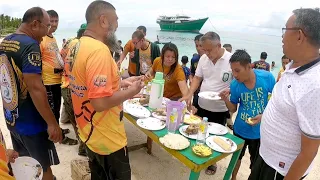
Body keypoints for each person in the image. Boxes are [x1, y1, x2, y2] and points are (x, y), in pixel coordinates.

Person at [67, 1, 144, 179]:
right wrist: (132, 92)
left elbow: (86, 82)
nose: (117, 25)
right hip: (108, 138)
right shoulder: (99, 51)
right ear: (103, 21)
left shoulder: (76, 45)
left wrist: (120, 82)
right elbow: (100, 103)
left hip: (88, 133)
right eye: (115, 21)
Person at [249, 8, 320, 180]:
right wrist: (265, 116)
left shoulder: (314, 85)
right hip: (266, 156)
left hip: (279, 170)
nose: (282, 36)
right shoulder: (293, 65)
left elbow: (309, 151)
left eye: (285, 30)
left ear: (299, 35)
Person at [0, 7, 62, 180]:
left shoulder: (6, 41)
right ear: (35, 24)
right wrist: (52, 123)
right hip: (33, 124)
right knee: (43, 170)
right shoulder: (30, 45)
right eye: (47, 26)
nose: (47, 31)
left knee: (25, 166)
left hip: (13, 119)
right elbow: (35, 87)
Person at [180, 31, 233, 175]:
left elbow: (238, 81)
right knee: (199, 132)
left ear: (219, 46)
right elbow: (197, 78)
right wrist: (189, 94)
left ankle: (212, 162)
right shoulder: (203, 59)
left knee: (215, 136)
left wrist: (230, 91)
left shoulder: (231, 60)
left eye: (209, 50)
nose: (207, 53)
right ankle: (198, 156)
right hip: (202, 103)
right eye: (205, 50)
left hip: (220, 108)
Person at [220, 49, 275, 180]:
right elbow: (233, 109)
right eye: (232, 70)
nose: (234, 74)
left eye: (237, 70)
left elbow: (276, 102)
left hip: (260, 131)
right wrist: (225, 99)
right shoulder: (235, 85)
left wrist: (263, 116)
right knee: (236, 158)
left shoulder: (267, 78)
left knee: (255, 163)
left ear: (249, 66)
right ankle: (233, 178)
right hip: (240, 129)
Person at [40, 10, 77, 145]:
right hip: (48, 81)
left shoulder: (52, 38)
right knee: (52, 110)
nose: (54, 24)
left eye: (56, 21)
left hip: (57, 80)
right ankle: (58, 138)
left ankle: (58, 130)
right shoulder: (41, 39)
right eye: (51, 21)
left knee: (56, 107)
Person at [60, 23, 88, 156]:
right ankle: (83, 148)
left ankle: (81, 142)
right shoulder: (80, 45)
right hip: (73, 86)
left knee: (73, 117)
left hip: (64, 83)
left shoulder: (70, 41)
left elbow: (60, 56)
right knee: (80, 119)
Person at [190, 34, 204, 111]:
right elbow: (191, 73)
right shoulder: (194, 59)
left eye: (201, 46)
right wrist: (191, 79)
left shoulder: (211, 59)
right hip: (196, 93)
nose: (198, 48)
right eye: (196, 46)